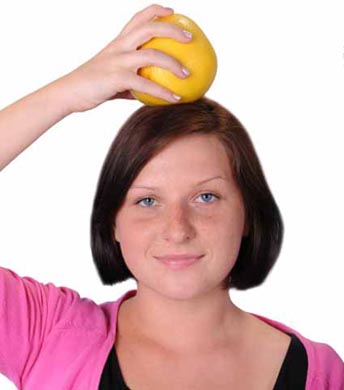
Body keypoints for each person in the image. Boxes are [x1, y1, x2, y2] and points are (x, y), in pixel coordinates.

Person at [0, 3, 343, 389]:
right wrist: (67, 93)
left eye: (206, 197)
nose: (177, 230)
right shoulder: (49, 335)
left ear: (247, 214)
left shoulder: (323, 374)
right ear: (112, 221)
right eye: (147, 201)